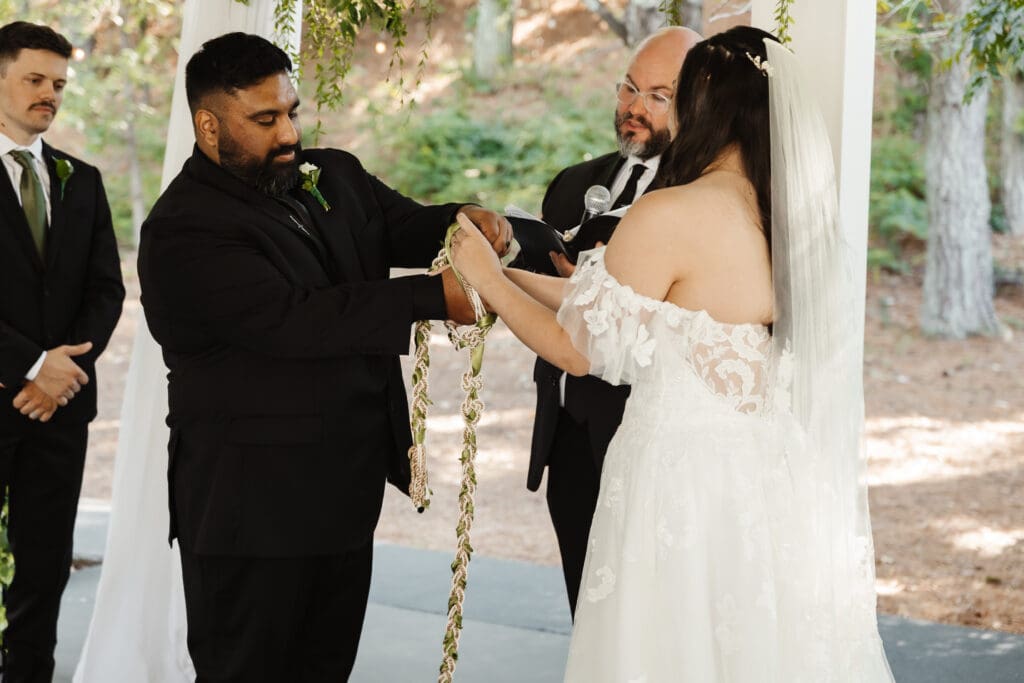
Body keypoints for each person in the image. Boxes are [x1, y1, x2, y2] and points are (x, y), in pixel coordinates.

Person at [452, 26, 895, 680]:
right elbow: (614, 302)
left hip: (678, 484)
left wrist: (484, 279)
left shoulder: (672, 213)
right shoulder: (787, 218)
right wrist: (510, 272)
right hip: (763, 477)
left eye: (675, 94)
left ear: (704, 104)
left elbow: (576, 348)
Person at [137, 32, 511, 682]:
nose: (288, 132)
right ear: (207, 125)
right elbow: (296, 320)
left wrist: (465, 219)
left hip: (342, 499)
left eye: (291, 111)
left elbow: (403, 225)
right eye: (264, 119)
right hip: (249, 517)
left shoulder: (330, 172)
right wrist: (433, 297)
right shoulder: (182, 228)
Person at [530, 26, 700, 616]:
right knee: (588, 605)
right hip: (567, 431)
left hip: (647, 437)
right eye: (629, 87)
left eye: (658, 95)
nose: (633, 107)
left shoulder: (703, 196)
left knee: (645, 614)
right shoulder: (574, 184)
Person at [0, 21, 125, 683]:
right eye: (35, 79)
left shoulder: (85, 180)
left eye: (58, 85)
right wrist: (28, 364)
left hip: (60, 409)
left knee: (45, 565)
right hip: (4, 390)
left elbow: (107, 289)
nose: (50, 94)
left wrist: (62, 371)